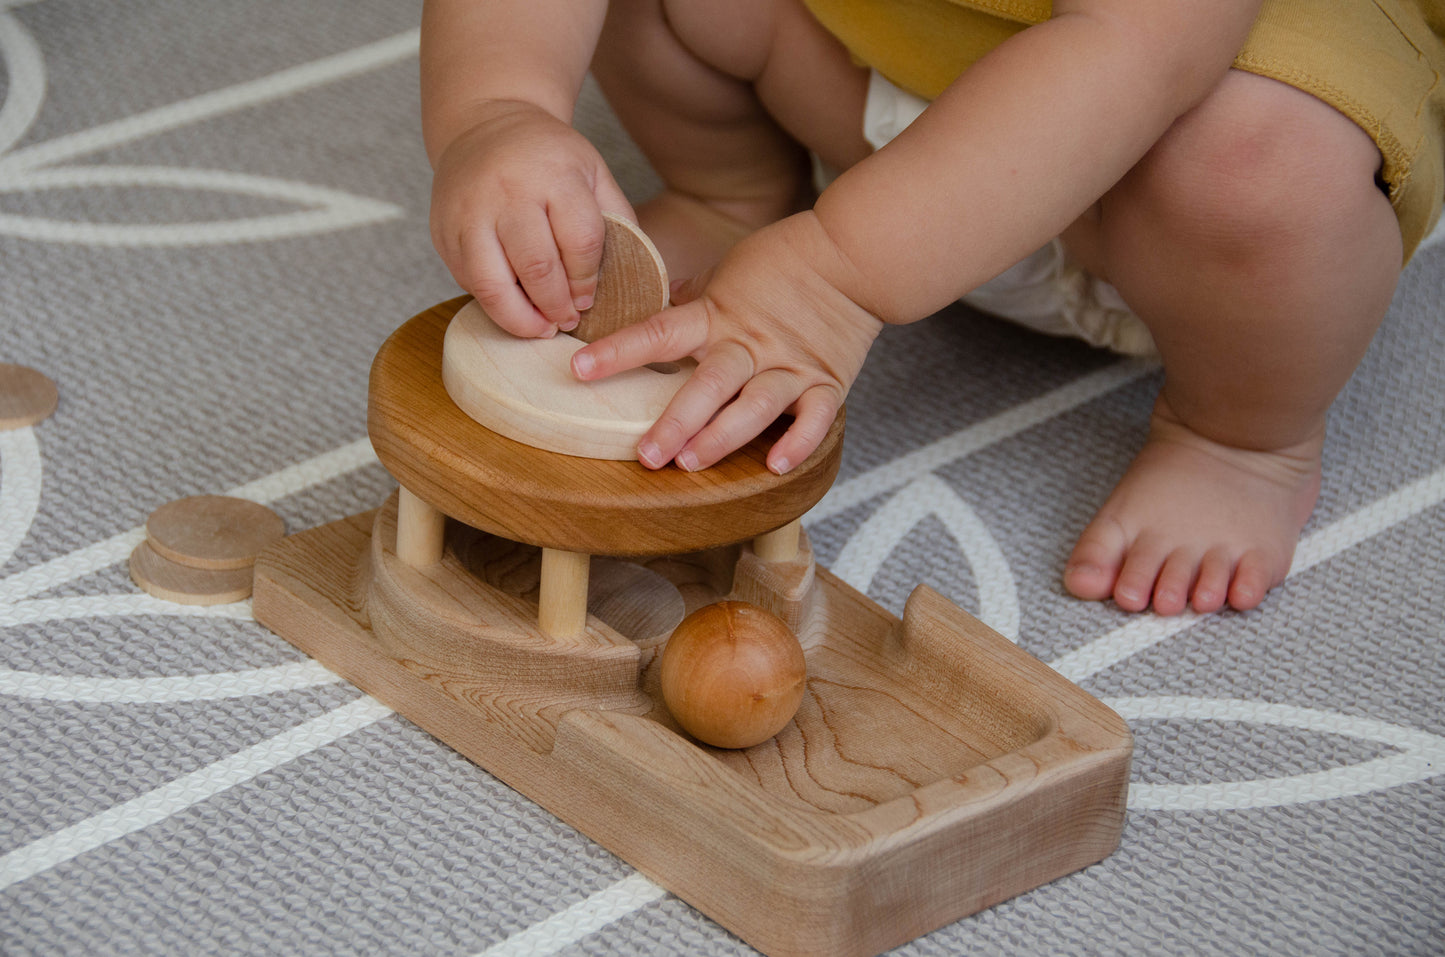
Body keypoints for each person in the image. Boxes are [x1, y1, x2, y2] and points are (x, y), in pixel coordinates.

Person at [420, 0, 1444, 615]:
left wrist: (830, 276)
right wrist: (495, 108)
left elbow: (1139, 53)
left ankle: (1236, 433)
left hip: (1150, 175)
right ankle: (728, 192)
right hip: (879, 81)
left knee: (1263, 173)